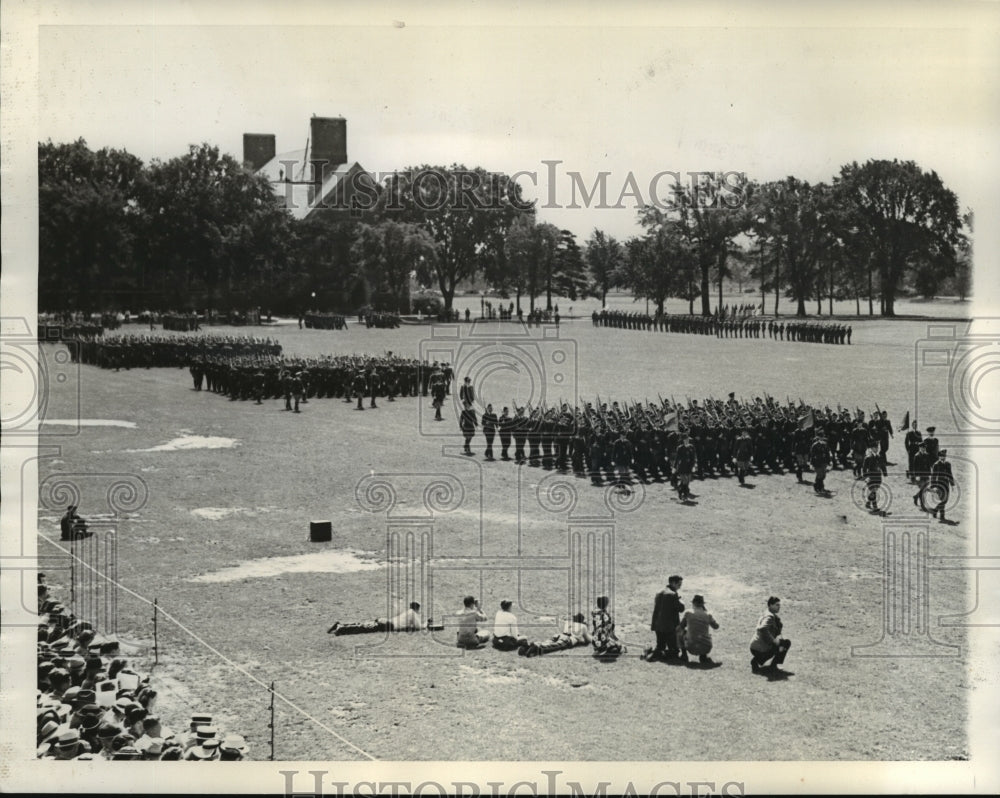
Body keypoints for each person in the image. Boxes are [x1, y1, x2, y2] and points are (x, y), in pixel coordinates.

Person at [327, 602, 428, 635]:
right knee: (363, 629)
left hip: (386, 621)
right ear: (416, 609)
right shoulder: (413, 614)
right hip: (389, 625)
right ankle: (341, 629)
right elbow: (419, 627)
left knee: (363, 625)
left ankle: (342, 625)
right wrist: (427, 623)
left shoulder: (408, 612)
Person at [519, 612, 591, 657]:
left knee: (547, 642)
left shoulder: (568, 622)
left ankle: (528, 646)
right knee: (553, 646)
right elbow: (588, 639)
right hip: (568, 639)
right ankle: (537, 647)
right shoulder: (583, 626)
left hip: (559, 635)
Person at [750, 596, 791, 673]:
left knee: (783, 643)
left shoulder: (768, 613)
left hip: (754, 647)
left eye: (779, 605)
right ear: (770, 605)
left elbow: (776, 631)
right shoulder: (769, 617)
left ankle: (759, 661)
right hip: (759, 648)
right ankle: (760, 662)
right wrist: (774, 641)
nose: (779, 607)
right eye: (777, 605)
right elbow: (762, 628)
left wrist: (779, 641)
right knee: (784, 644)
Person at [676, 594, 720, 665]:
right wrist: (706, 613)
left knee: (679, 632)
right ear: (703, 604)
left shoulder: (688, 613)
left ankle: (684, 655)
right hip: (706, 647)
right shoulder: (708, 614)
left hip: (690, 646)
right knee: (706, 634)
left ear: (693, 603)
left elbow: (680, 627)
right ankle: (703, 656)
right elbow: (716, 626)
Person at [649, 575, 685, 661]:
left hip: (657, 625)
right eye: (679, 584)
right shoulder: (673, 594)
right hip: (669, 627)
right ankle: (664, 654)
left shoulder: (659, 592)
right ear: (673, 583)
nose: (680, 586)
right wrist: (680, 599)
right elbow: (681, 608)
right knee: (674, 651)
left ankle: (658, 653)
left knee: (660, 645)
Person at [929, 449, 955, 522]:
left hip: (946, 484)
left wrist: (952, 484)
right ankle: (942, 516)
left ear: (945, 457)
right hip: (939, 485)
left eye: (943, 456)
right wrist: (933, 486)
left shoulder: (948, 464)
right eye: (940, 456)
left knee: (945, 500)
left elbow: (950, 474)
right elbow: (933, 476)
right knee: (943, 500)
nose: (942, 458)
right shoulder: (936, 465)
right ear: (939, 457)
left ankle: (935, 510)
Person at [912, 440, 933, 511]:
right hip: (920, 476)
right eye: (922, 448)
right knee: (923, 490)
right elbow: (915, 467)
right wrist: (916, 476)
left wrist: (930, 474)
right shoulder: (917, 456)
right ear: (919, 448)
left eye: (924, 448)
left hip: (926, 475)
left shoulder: (927, 455)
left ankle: (916, 496)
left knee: (924, 489)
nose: (923, 449)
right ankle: (923, 505)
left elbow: (928, 465)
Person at [809, 428, 832, 493]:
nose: (821, 438)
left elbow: (827, 453)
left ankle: (819, 486)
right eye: (820, 437)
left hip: (824, 461)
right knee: (819, 474)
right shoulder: (815, 445)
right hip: (817, 462)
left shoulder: (825, 444)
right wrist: (811, 463)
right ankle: (819, 487)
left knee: (823, 475)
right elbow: (812, 455)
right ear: (817, 437)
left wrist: (829, 461)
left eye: (822, 437)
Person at [862, 445, 884, 512]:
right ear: (871, 449)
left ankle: (868, 503)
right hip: (871, 477)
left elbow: (882, 465)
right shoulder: (868, 458)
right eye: (875, 448)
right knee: (873, 491)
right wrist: (866, 477)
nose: (876, 449)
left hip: (878, 477)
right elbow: (864, 468)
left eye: (877, 448)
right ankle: (875, 507)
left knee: (874, 490)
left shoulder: (879, 456)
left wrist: (884, 472)